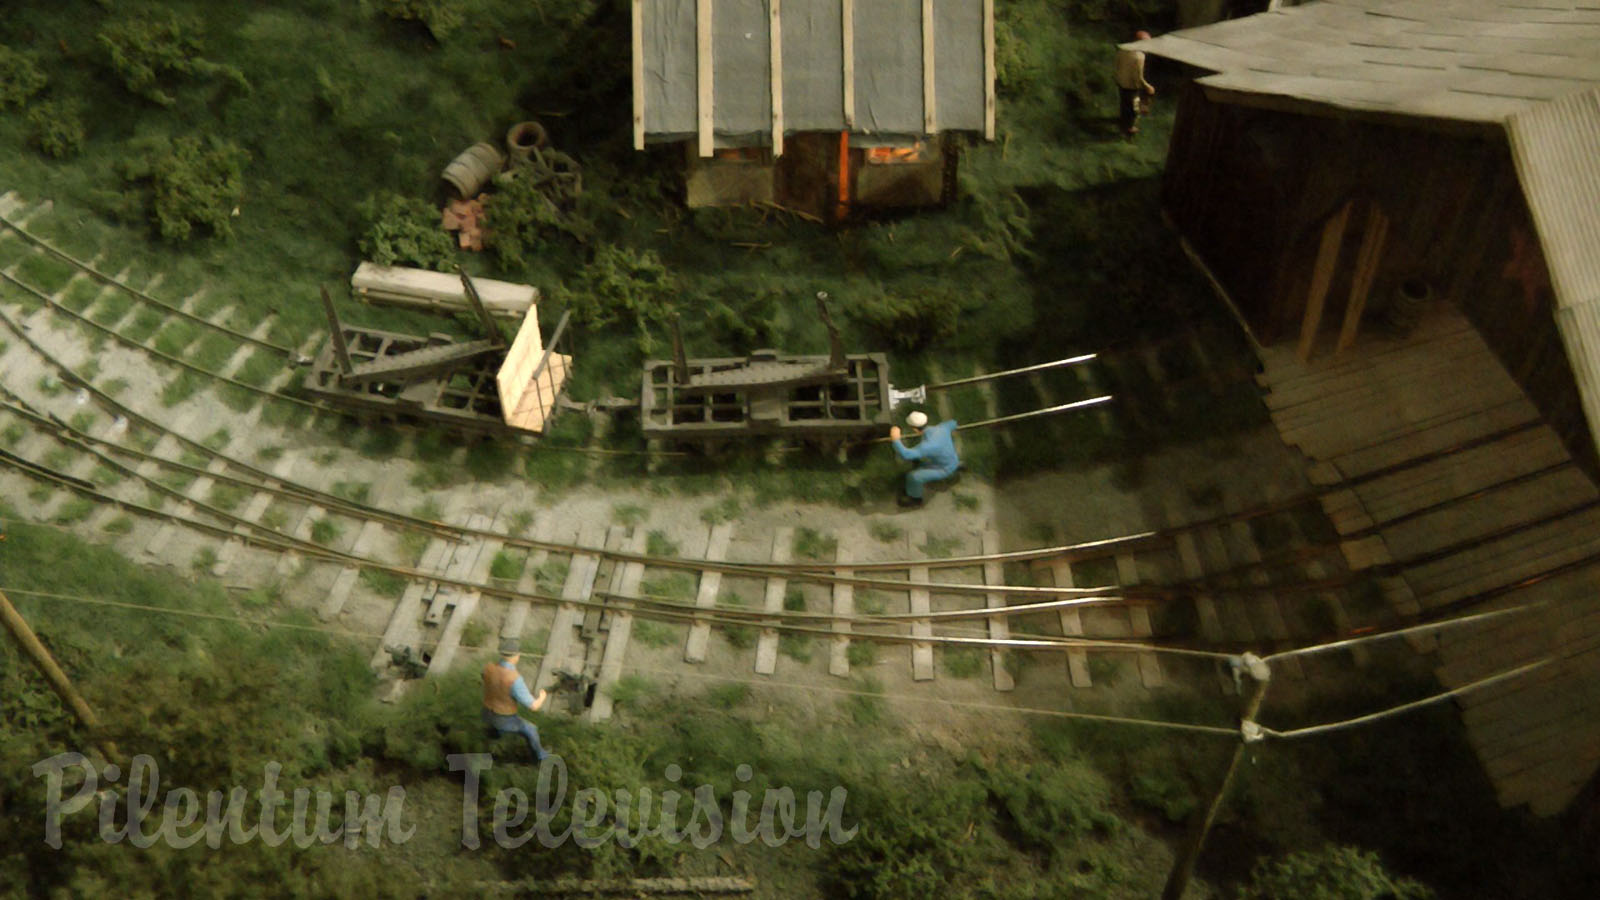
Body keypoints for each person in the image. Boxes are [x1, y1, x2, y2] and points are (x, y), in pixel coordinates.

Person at [481, 640, 550, 763]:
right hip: (503, 718)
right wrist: (542, 696)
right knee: (531, 729)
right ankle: (541, 756)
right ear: (516, 656)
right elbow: (534, 706)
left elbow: (484, 678)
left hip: (486, 712)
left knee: (495, 727)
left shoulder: (488, 668)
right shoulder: (514, 679)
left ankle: (494, 735)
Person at [889, 410, 960, 509]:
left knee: (913, 476)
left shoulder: (927, 446)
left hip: (944, 469)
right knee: (920, 462)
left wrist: (895, 439)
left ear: (914, 429)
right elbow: (953, 423)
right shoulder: (942, 427)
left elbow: (906, 455)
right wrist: (955, 424)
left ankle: (915, 499)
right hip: (952, 460)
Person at [1114, 30, 1155, 136]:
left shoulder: (1122, 50)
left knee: (1124, 103)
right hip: (1131, 86)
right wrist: (1147, 86)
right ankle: (1129, 128)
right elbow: (1138, 77)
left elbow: (1117, 65)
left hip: (1121, 82)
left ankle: (1122, 121)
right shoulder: (1139, 56)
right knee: (1133, 107)